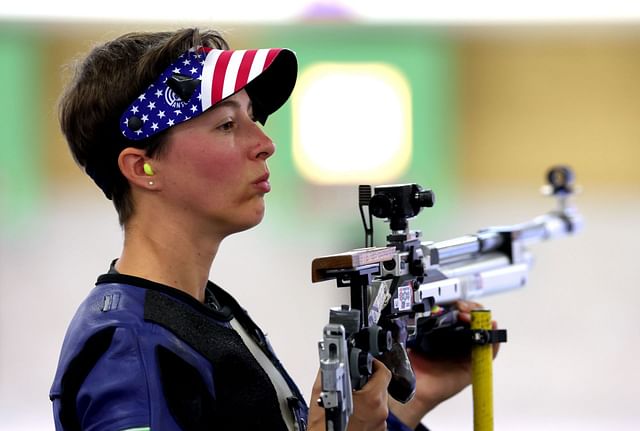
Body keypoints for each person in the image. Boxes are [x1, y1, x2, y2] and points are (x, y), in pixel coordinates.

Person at [50, 27, 494, 431]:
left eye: (252, 118)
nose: (265, 144)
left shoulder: (202, 315)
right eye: (226, 124)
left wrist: (401, 408)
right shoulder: (131, 349)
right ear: (142, 166)